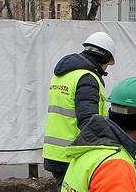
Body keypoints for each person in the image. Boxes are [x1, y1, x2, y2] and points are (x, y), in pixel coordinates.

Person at [43, 31, 117, 181]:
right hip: (74, 154)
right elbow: (89, 121)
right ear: (105, 58)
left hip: (56, 153)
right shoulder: (87, 78)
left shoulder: (64, 74)